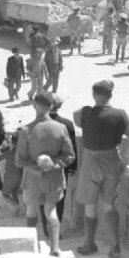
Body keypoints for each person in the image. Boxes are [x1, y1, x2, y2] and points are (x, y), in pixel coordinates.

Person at [72, 80, 129, 258]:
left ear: (94, 95)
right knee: (109, 204)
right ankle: (116, 246)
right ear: (110, 95)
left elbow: (75, 116)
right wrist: (125, 158)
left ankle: (89, 243)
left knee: (90, 204)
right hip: (112, 160)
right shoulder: (121, 115)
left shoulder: (84, 113)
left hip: (91, 160)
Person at [16, 94, 75, 256]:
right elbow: (70, 156)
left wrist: (37, 168)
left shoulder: (26, 130)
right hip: (54, 178)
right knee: (51, 211)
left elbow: (20, 160)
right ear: (51, 107)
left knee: (31, 211)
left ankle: (30, 248)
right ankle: (54, 247)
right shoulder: (61, 128)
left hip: (32, 179)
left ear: (35, 106)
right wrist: (53, 165)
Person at [46, 94, 78, 234]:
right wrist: (73, 166)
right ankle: (56, 230)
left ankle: (47, 229)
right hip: (61, 166)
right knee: (59, 199)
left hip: (43, 166)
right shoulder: (67, 124)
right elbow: (72, 148)